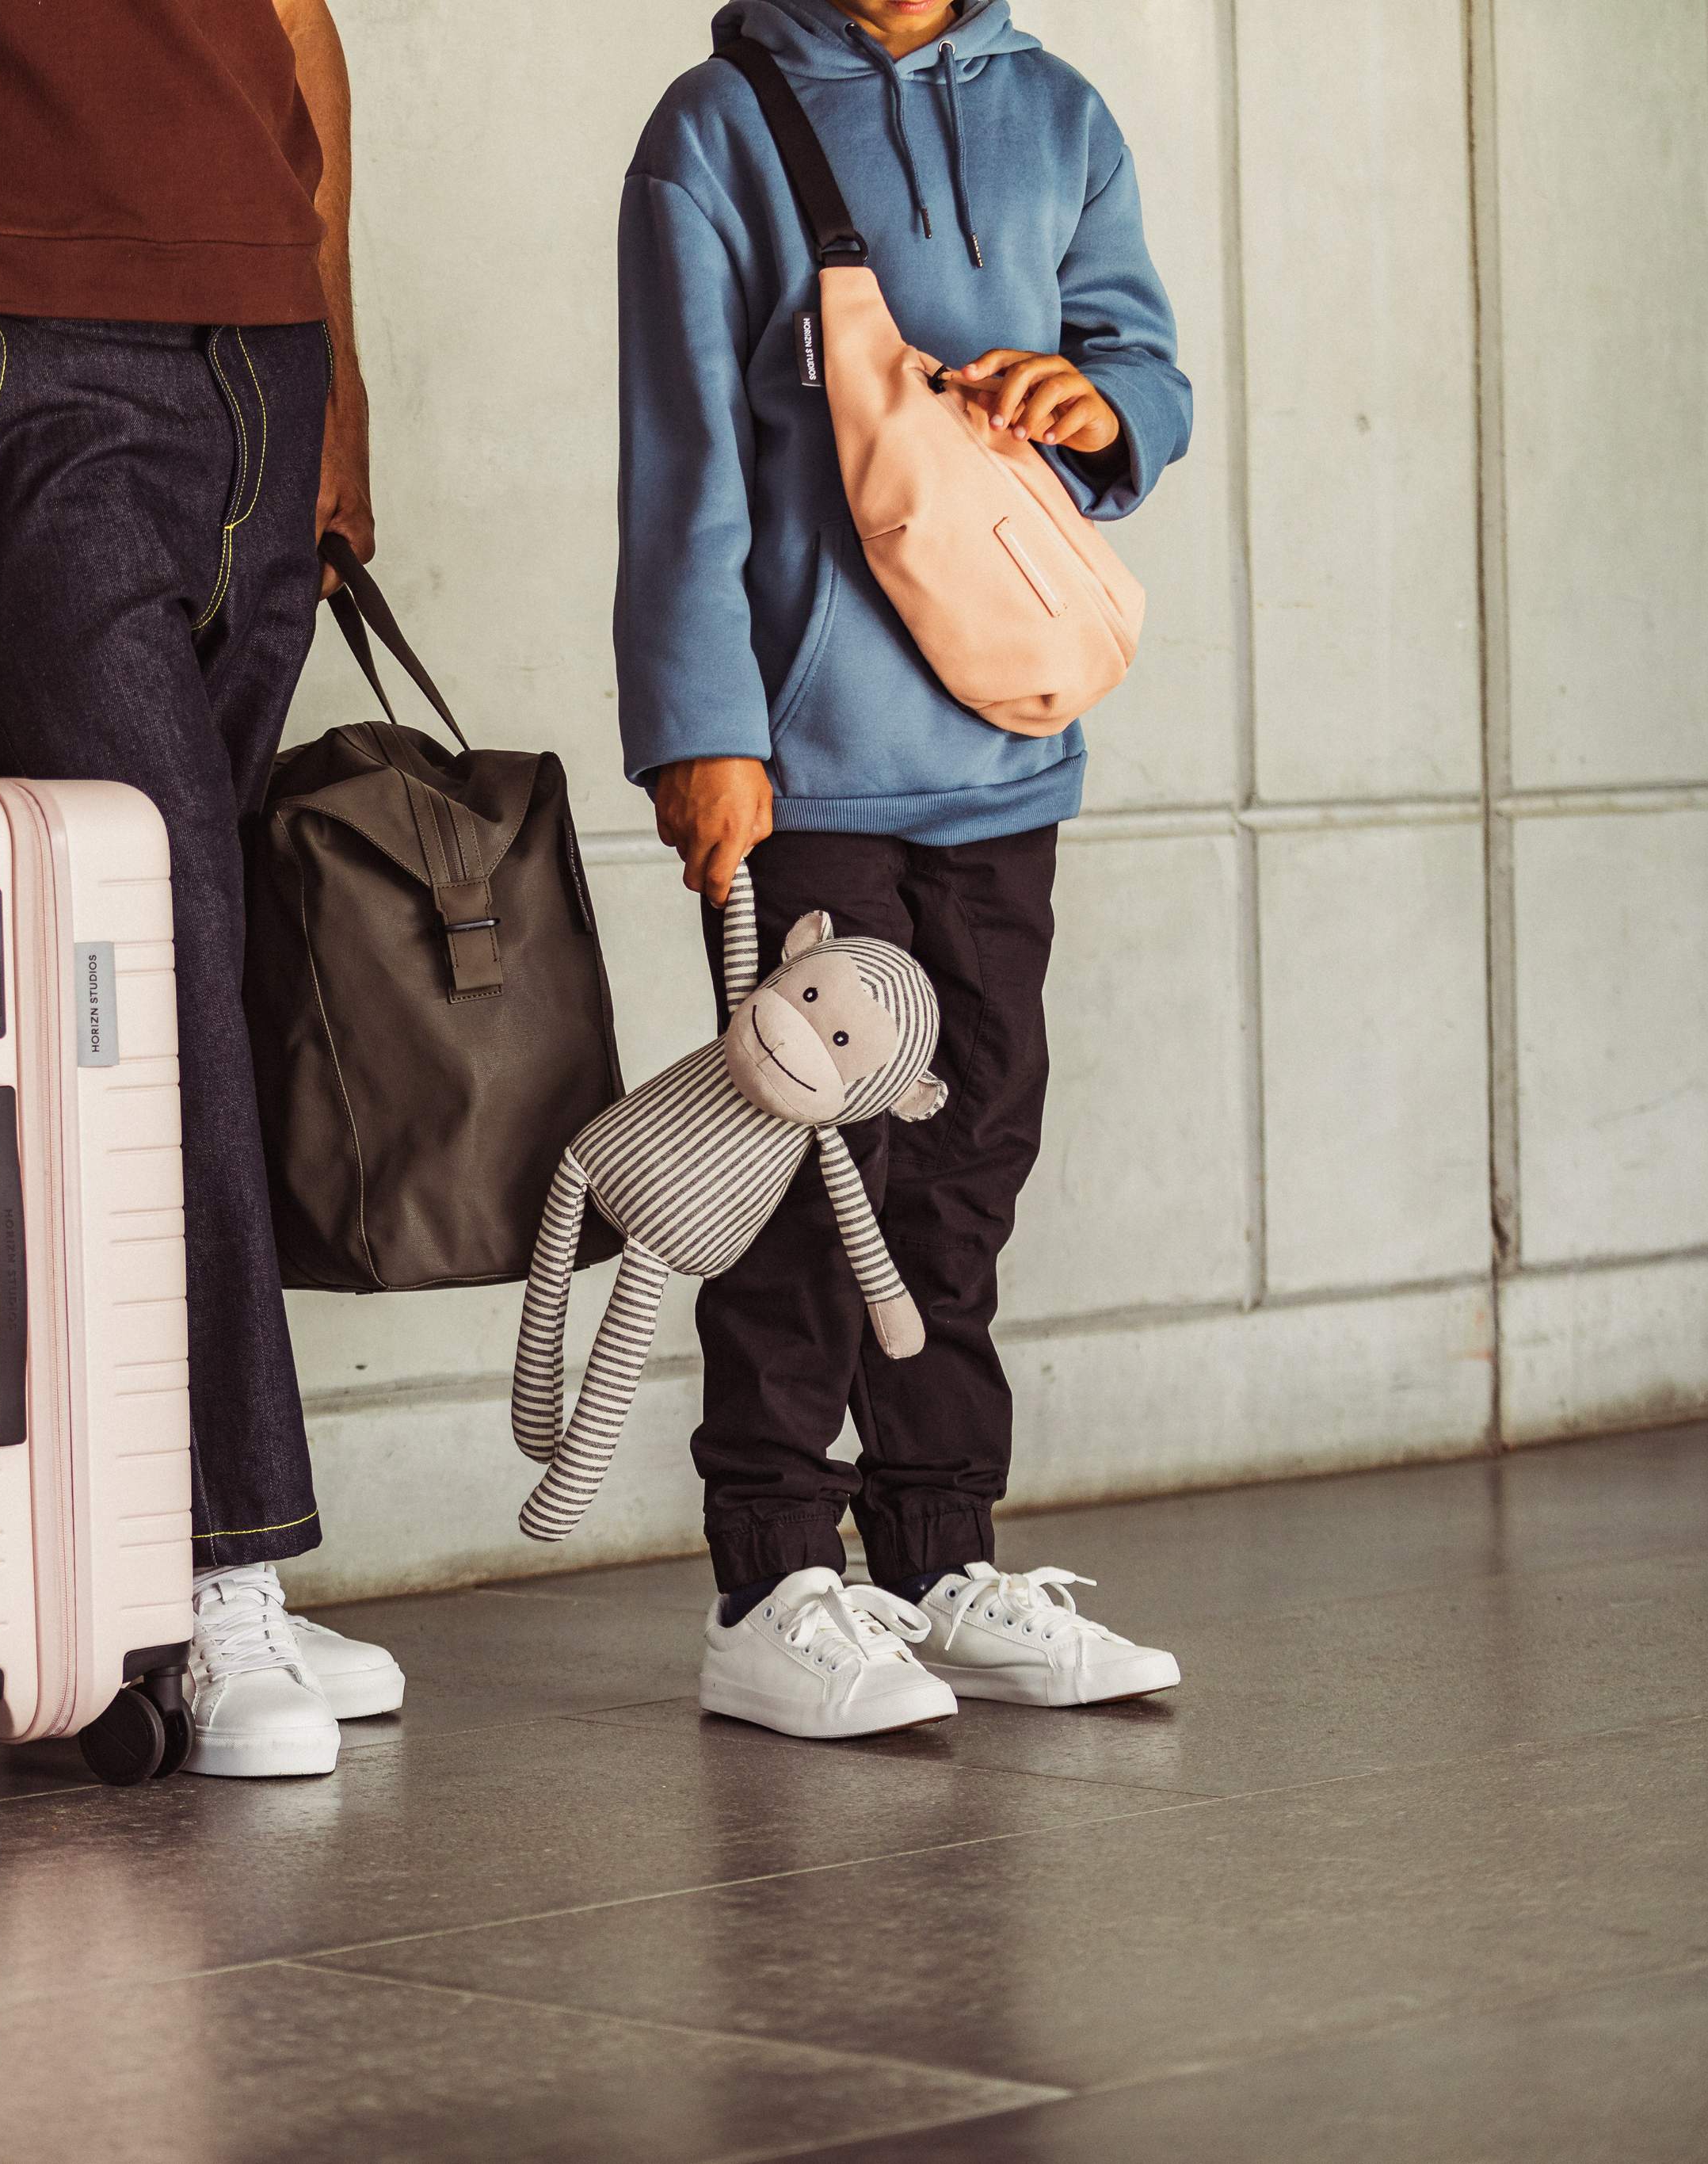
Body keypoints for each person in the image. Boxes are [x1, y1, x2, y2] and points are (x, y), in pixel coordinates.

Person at [0, 0, 401, 1779]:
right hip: (10, 339)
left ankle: (166, 1547)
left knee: (190, 954)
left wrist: (334, 356)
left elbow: (296, 23)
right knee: (160, 942)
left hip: (257, 351)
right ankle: (209, 1573)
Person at [617, 0, 1194, 1738]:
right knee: (815, 1158)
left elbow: (1144, 367)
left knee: (971, 1143)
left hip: (1004, 744)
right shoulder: (715, 125)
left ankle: (939, 1545)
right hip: (808, 756)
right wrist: (698, 728)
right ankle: (772, 1573)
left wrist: (1091, 403)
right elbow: (681, 462)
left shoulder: (1059, 112)